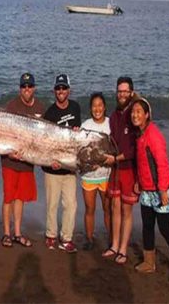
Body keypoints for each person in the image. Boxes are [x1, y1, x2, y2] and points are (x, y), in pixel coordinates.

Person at [131, 98, 169, 285]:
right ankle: (149, 262)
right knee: (147, 226)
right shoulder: (139, 135)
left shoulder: (153, 135)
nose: (135, 115)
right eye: (133, 112)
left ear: (147, 115)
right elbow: (142, 163)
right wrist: (139, 182)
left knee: (166, 229)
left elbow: (162, 165)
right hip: (147, 190)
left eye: (139, 111)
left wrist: (163, 190)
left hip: (161, 190)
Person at [1, 72, 45, 248]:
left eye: (29, 86)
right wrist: (10, 153)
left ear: (34, 88)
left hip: (27, 161)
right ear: (20, 89)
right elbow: (3, 132)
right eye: (23, 86)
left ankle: (17, 233)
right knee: (8, 198)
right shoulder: (12, 105)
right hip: (10, 160)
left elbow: (43, 138)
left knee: (20, 198)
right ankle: (6, 233)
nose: (26, 89)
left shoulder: (41, 108)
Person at [42, 74, 81, 254]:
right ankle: (51, 235)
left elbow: (76, 138)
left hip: (69, 168)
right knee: (52, 204)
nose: (61, 91)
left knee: (71, 204)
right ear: (54, 91)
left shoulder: (75, 107)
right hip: (53, 167)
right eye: (58, 88)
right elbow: (44, 142)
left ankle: (66, 238)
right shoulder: (49, 113)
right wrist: (51, 163)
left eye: (64, 88)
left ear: (69, 90)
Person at [105, 77, 139, 265]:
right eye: (119, 91)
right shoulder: (115, 115)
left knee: (127, 210)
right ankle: (114, 245)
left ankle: (123, 249)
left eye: (125, 91)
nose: (122, 94)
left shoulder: (135, 114)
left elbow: (136, 148)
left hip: (128, 169)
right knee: (114, 207)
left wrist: (117, 159)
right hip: (115, 169)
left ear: (131, 92)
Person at [79, 92, 115, 251]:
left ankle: (112, 239)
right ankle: (89, 238)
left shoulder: (110, 124)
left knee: (108, 209)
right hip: (89, 176)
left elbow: (115, 148)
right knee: (89, 209)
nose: (97, 109)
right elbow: (79, 151)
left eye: (100, 105)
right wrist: (87, 164)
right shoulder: (85, 125)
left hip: (106, 176)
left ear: (105, 107)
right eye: (94, 106)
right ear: (90, 108)